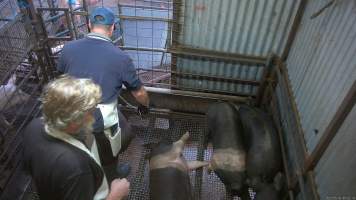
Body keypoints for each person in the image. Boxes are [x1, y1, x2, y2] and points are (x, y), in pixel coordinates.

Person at [56, 7, 150, 167]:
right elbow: (139, 93)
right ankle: (111, 170)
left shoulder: (68, 48)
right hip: (100, 120)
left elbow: (60, 80)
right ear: (113, 28)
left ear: (88, 24)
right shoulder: (121, 58)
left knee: (80, 145)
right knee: (111, 144)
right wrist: (145, 105)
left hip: (70, 113)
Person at [23, 75, 130, 200]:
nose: (93, 117)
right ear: (73, 122)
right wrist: (115, 195)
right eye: (90, 112)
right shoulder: (77, 167)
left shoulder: (34, 127)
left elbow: (29, 168)